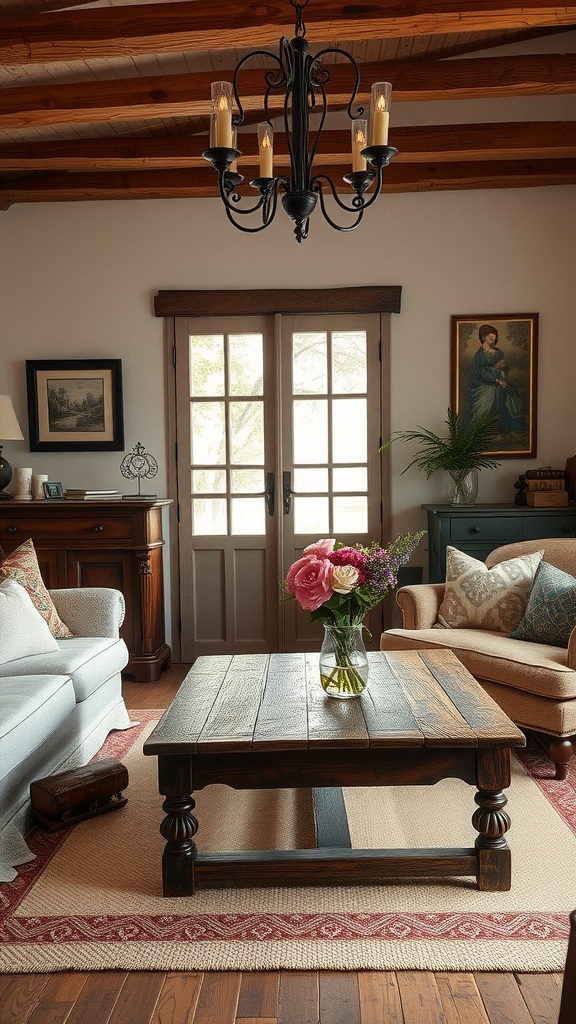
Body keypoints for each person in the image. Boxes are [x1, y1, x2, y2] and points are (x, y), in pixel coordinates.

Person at [467, 324, 526, 434]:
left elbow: (503, 370)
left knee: (509, 392)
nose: (493, 339)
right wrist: (497, 380)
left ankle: (507, 423)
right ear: (483, 337)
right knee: (490, 396)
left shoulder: (498, 352)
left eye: (495, 337)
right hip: (482, 384)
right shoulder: (479, 355)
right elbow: (480, 373)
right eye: (491, 337)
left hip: (499, 381)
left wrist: (503, 377)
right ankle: (480, 429)